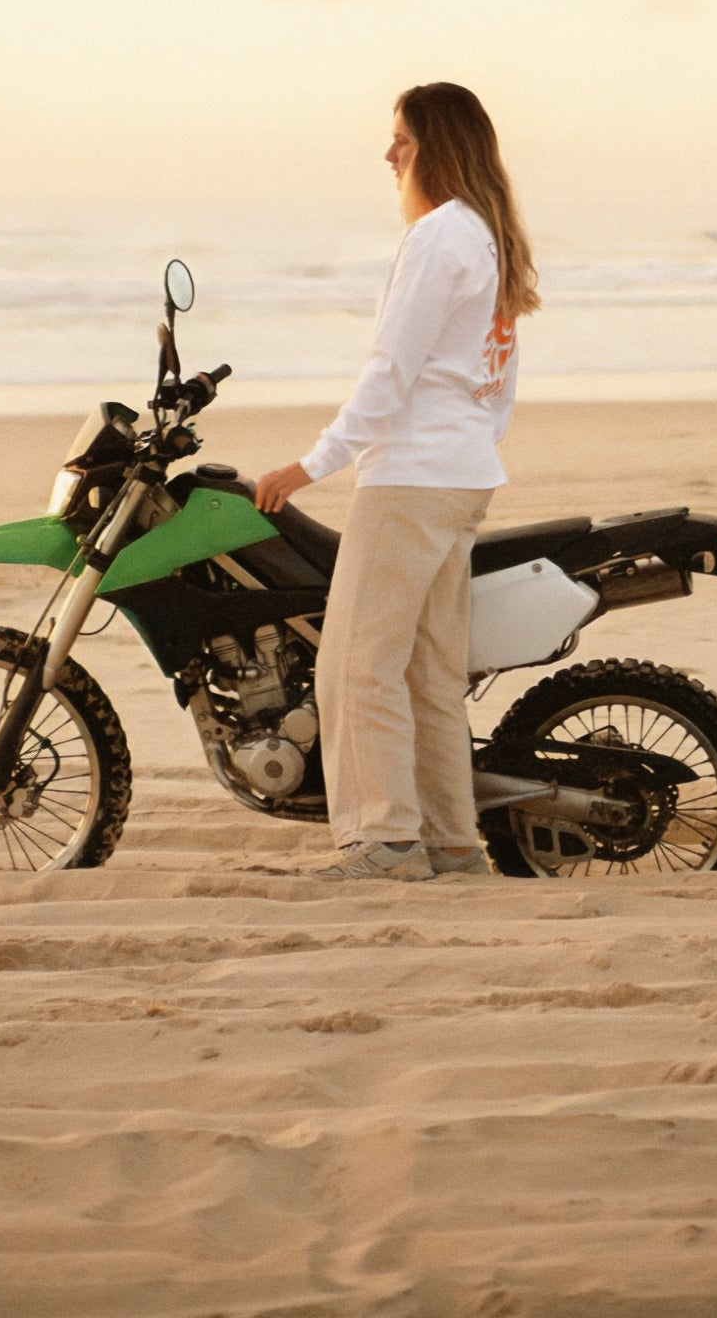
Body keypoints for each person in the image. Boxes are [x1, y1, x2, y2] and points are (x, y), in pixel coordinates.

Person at [255, 83, 539, 880]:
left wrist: (310, 465)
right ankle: (452, 842)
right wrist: (472, 449)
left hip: (413, 479)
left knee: (355, 663)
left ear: (436, 149)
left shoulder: (439, 236)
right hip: (462, 476)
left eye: (401, 141)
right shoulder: (488, 237)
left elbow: (389, 371)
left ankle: (383, 840)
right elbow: (498, 382)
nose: (388, 156)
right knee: (429, 674)